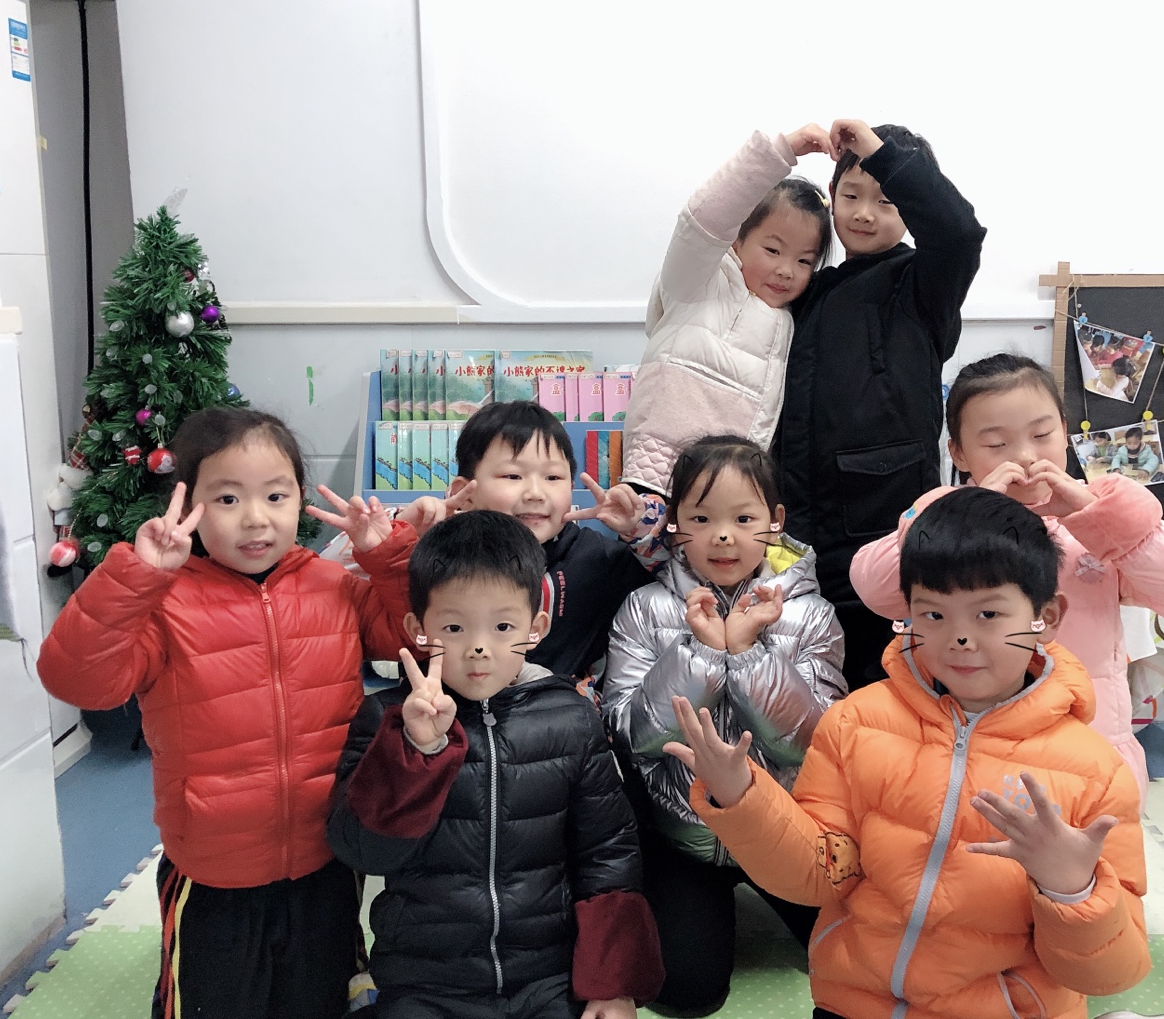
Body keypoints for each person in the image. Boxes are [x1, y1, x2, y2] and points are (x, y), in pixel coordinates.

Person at [665, 486, 1152, 1019]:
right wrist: (742, 799)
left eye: (988, 613)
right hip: (854, 1003)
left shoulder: (1096, 772)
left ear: (1048, 616)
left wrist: (1072, 890)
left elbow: (1113, 972)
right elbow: (819, 874)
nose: (960, 638)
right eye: (933, 615)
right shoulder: (856, 722)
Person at [37, 408, 418, 1019]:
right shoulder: (165, 603)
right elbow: (78, 679)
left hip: (325, 858)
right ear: (188, 505)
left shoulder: (334, 586)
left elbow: (417, 638)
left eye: (275, 495)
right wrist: (134, 578)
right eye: (228, 498)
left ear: (300, 498)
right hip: (213, 870)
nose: (255, 518)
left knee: (320, 1000)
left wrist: (388, 557)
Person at [326, 511, 664, 1019]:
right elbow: (361, 850)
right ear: (418, 629)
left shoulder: (571, 718)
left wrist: (611, 984)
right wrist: (416, 751)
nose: (479, 647)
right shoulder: (386, 718)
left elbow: (607, 855)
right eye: (454, 626)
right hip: (424, 980)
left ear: (536, 627)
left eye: (503, 626)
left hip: (548, 977)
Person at [849, 354, 1164, 801]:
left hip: (1087, 753)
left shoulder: (1099, 523)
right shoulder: (945, 522)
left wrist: (1100, 519)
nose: (1025, 457)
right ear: (959, 453)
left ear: (1064, 430)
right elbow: (876, 589)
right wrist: (961, 516)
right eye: (995, 444)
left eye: (1042, 435)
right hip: (963, 752)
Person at [602, 435, 847, 1015]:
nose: (722, 536)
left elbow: (816, 744)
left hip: (787, 829)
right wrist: (704, 654)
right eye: (701, 518)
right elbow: (629, 734)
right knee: (685, 992)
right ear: (674, 524)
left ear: (775, 521)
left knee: (853, 963)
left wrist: (749, 654)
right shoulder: (645, 608)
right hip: (680, 836)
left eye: (743, 518)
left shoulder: (812, 614)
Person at [774, 119, 987, 689]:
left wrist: (876, 152)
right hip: (800, 533)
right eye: (851, 196)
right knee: (807, 687)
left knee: (890, 685)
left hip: (886, 530)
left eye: (886, 201)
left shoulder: (922, 284)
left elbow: (959, 232)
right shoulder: (811, 290)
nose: (864, 213)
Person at [326, 401, 667, 682]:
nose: (535, 493)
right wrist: (398, 539)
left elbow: (676, 582)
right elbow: (337, 590)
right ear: (464, 493)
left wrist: (641, 530)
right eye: (512, 476)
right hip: (446, 722)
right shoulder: (440, 548)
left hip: (555, 723)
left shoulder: (596, 558)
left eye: (553, 477)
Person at [621, 125, 835, 494]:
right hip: (657, 476)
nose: (786, 270)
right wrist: (779, 153)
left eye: (804, 260)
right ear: (736, 240)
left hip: (730, 492)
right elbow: (702, 221)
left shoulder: (790, 323)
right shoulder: (701, 281)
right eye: (773, 250)